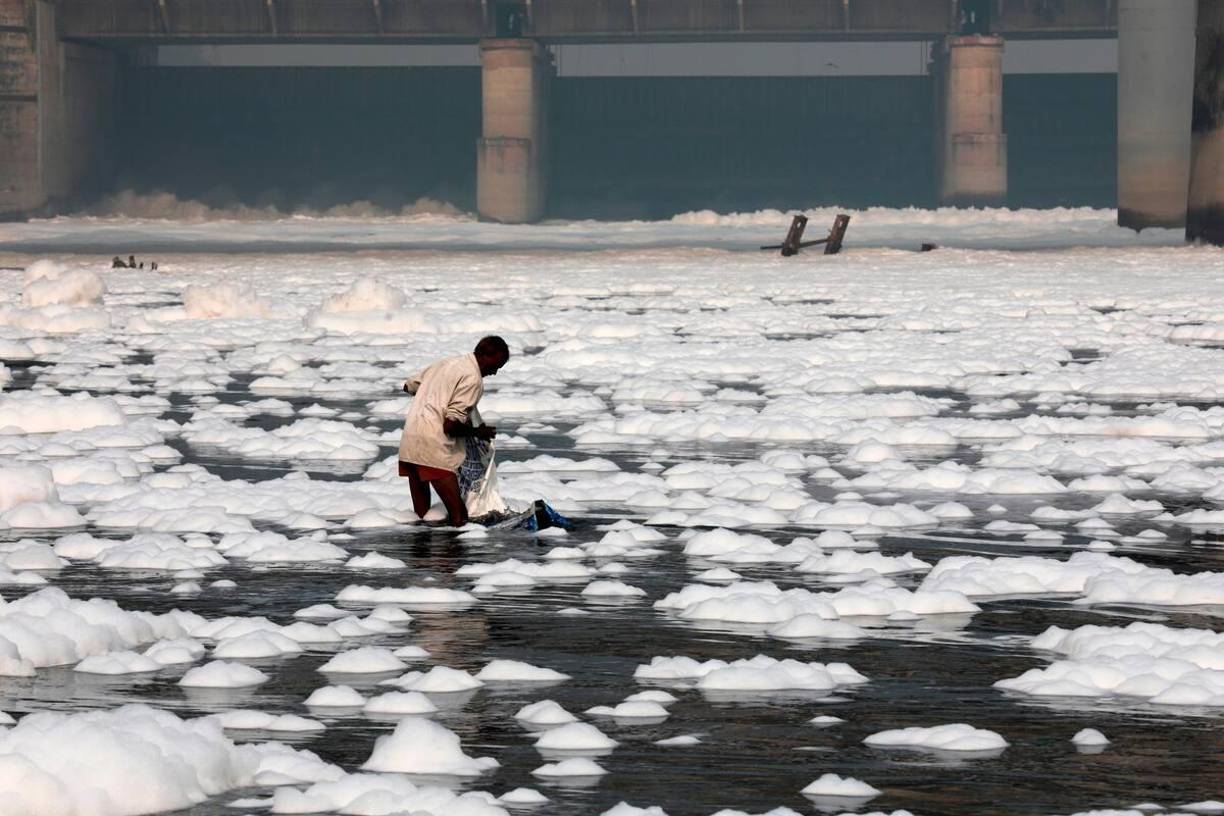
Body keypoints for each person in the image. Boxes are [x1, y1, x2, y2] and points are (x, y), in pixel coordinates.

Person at [398, 336, 510, 526]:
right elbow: (450, 426)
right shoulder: (473, 379)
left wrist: (436, 397)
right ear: (483, 356)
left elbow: (409, 386)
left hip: (410, 442)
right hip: (433, 448)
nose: (495, 372)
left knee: (423, 519)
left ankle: (420, 555)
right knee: (460, 518)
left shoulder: (446, 363)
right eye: (496, 365)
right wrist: (477, 433)